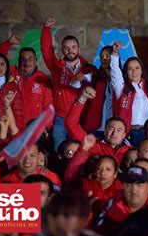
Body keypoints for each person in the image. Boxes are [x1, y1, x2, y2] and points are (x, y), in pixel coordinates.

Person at [41, 16, 97, 150]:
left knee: (81, 153)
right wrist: (46, 29)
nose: (70, 50)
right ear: (62, 50)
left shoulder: (90, 70)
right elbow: (46, 51)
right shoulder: (57, 67)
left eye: (73, 47)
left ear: (79, 49)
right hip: (61, 119)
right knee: (59, 152)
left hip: (81, 120)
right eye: (66, 48)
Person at [65, 87, 133, 165]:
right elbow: (71, 124)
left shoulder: (130, 151)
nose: (114, 133)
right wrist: (82, 98)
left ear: (124, 134)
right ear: (105, 131)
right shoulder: (92, 146)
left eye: (119, 130)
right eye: (111, 129)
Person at [111, 42, 148, 147]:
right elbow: (115, 73)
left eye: (137, 68)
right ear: (126, 72)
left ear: (141, 70)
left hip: (146, 133)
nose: (134, 71)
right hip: (127, 133)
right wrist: (115, 53)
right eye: (130, 69)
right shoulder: (122, 87)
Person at [64, 134, 123, 216]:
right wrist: (84, 149)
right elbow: (70, 177)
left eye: (108, 169)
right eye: (99, 169)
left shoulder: (122, 192)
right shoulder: (84, 185)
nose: (102, 172)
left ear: (115, 174)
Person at [83, 45, 114, 137]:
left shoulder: (121, 77)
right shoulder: (96, 75)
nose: (104, 58)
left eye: (107, 56)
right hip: (97, 124)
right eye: (102, 56)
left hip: (113, 123)